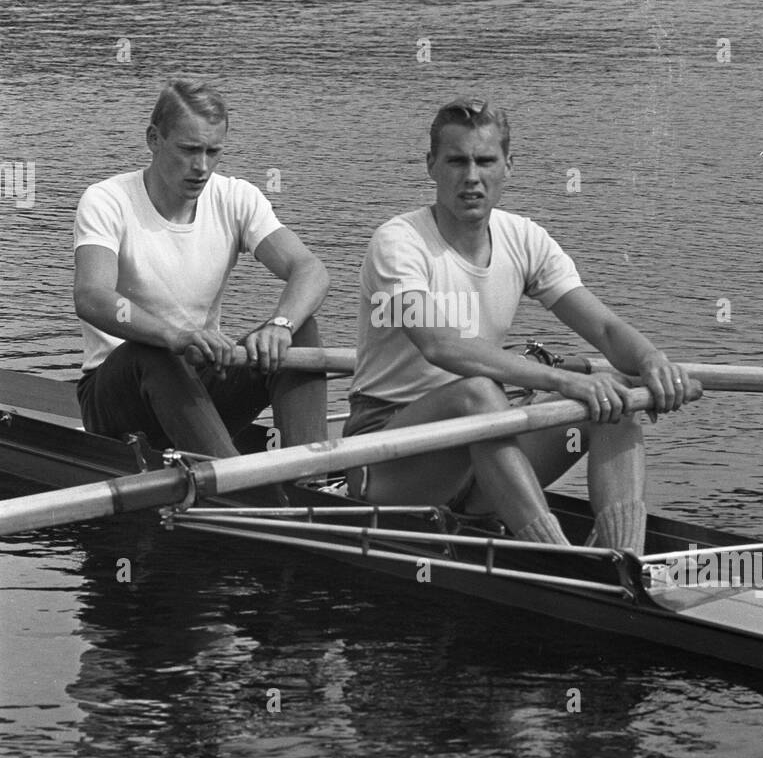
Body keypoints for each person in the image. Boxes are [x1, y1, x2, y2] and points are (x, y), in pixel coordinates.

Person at [343, 97, 699, 553]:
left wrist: (652, 362)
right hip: (389, 459)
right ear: (431, 165)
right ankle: (554, 557)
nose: (472, 177)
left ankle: (624, 562)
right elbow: (440, 346)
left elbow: (606, 331)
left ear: (509, 166)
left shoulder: (523, 238)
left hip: (484, 446)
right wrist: (561, 379)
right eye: (457, 161)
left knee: (616, 396)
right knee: (479, 392)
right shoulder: (398, 242)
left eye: (485, 161)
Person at [73, 78, 329, 460]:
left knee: (300, 329)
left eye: (213, 152)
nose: (202, 167)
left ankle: (309, 479)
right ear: (153, 139)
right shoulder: (107, 201)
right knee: (156, 349)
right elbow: (92, 297)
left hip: (198, 380)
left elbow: (310, 269)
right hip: (118, 398)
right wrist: (173, 335)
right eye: (189, 150)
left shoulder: (236, 197)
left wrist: (281, 324)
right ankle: (233, 486)